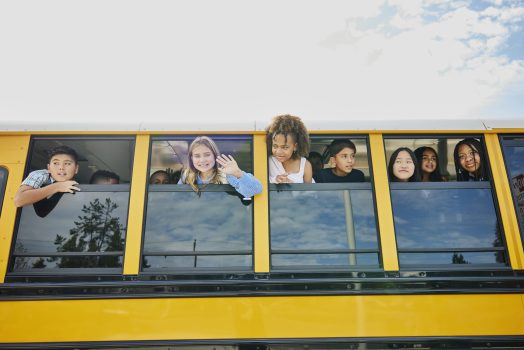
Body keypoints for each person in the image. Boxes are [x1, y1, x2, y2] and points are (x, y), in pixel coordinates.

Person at [178, 136, 262, 198]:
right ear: (191, 158)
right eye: (197, 156)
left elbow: (255, 190)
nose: (202, 160)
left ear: (215, 156)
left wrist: (238, 173)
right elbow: (176, 197)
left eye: (207, 155)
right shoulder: (187, 176)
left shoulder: (226, 175)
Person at [14, 145, 80, 208]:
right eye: (56, 163)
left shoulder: (77, 185)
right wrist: (57, 186)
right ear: (49, 168)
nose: (61, 168)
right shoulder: (40, 175)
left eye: (67, 163)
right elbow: (19, 200)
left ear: (76, 169)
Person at [266, 114, 313, 183]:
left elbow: (309, 192)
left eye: (285, 147)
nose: (278, 152)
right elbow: (259, 184)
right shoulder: (268, 161)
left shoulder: (305, 165)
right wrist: (275, 180)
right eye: (275, 146)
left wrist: (293, 190)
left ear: (295, 147)